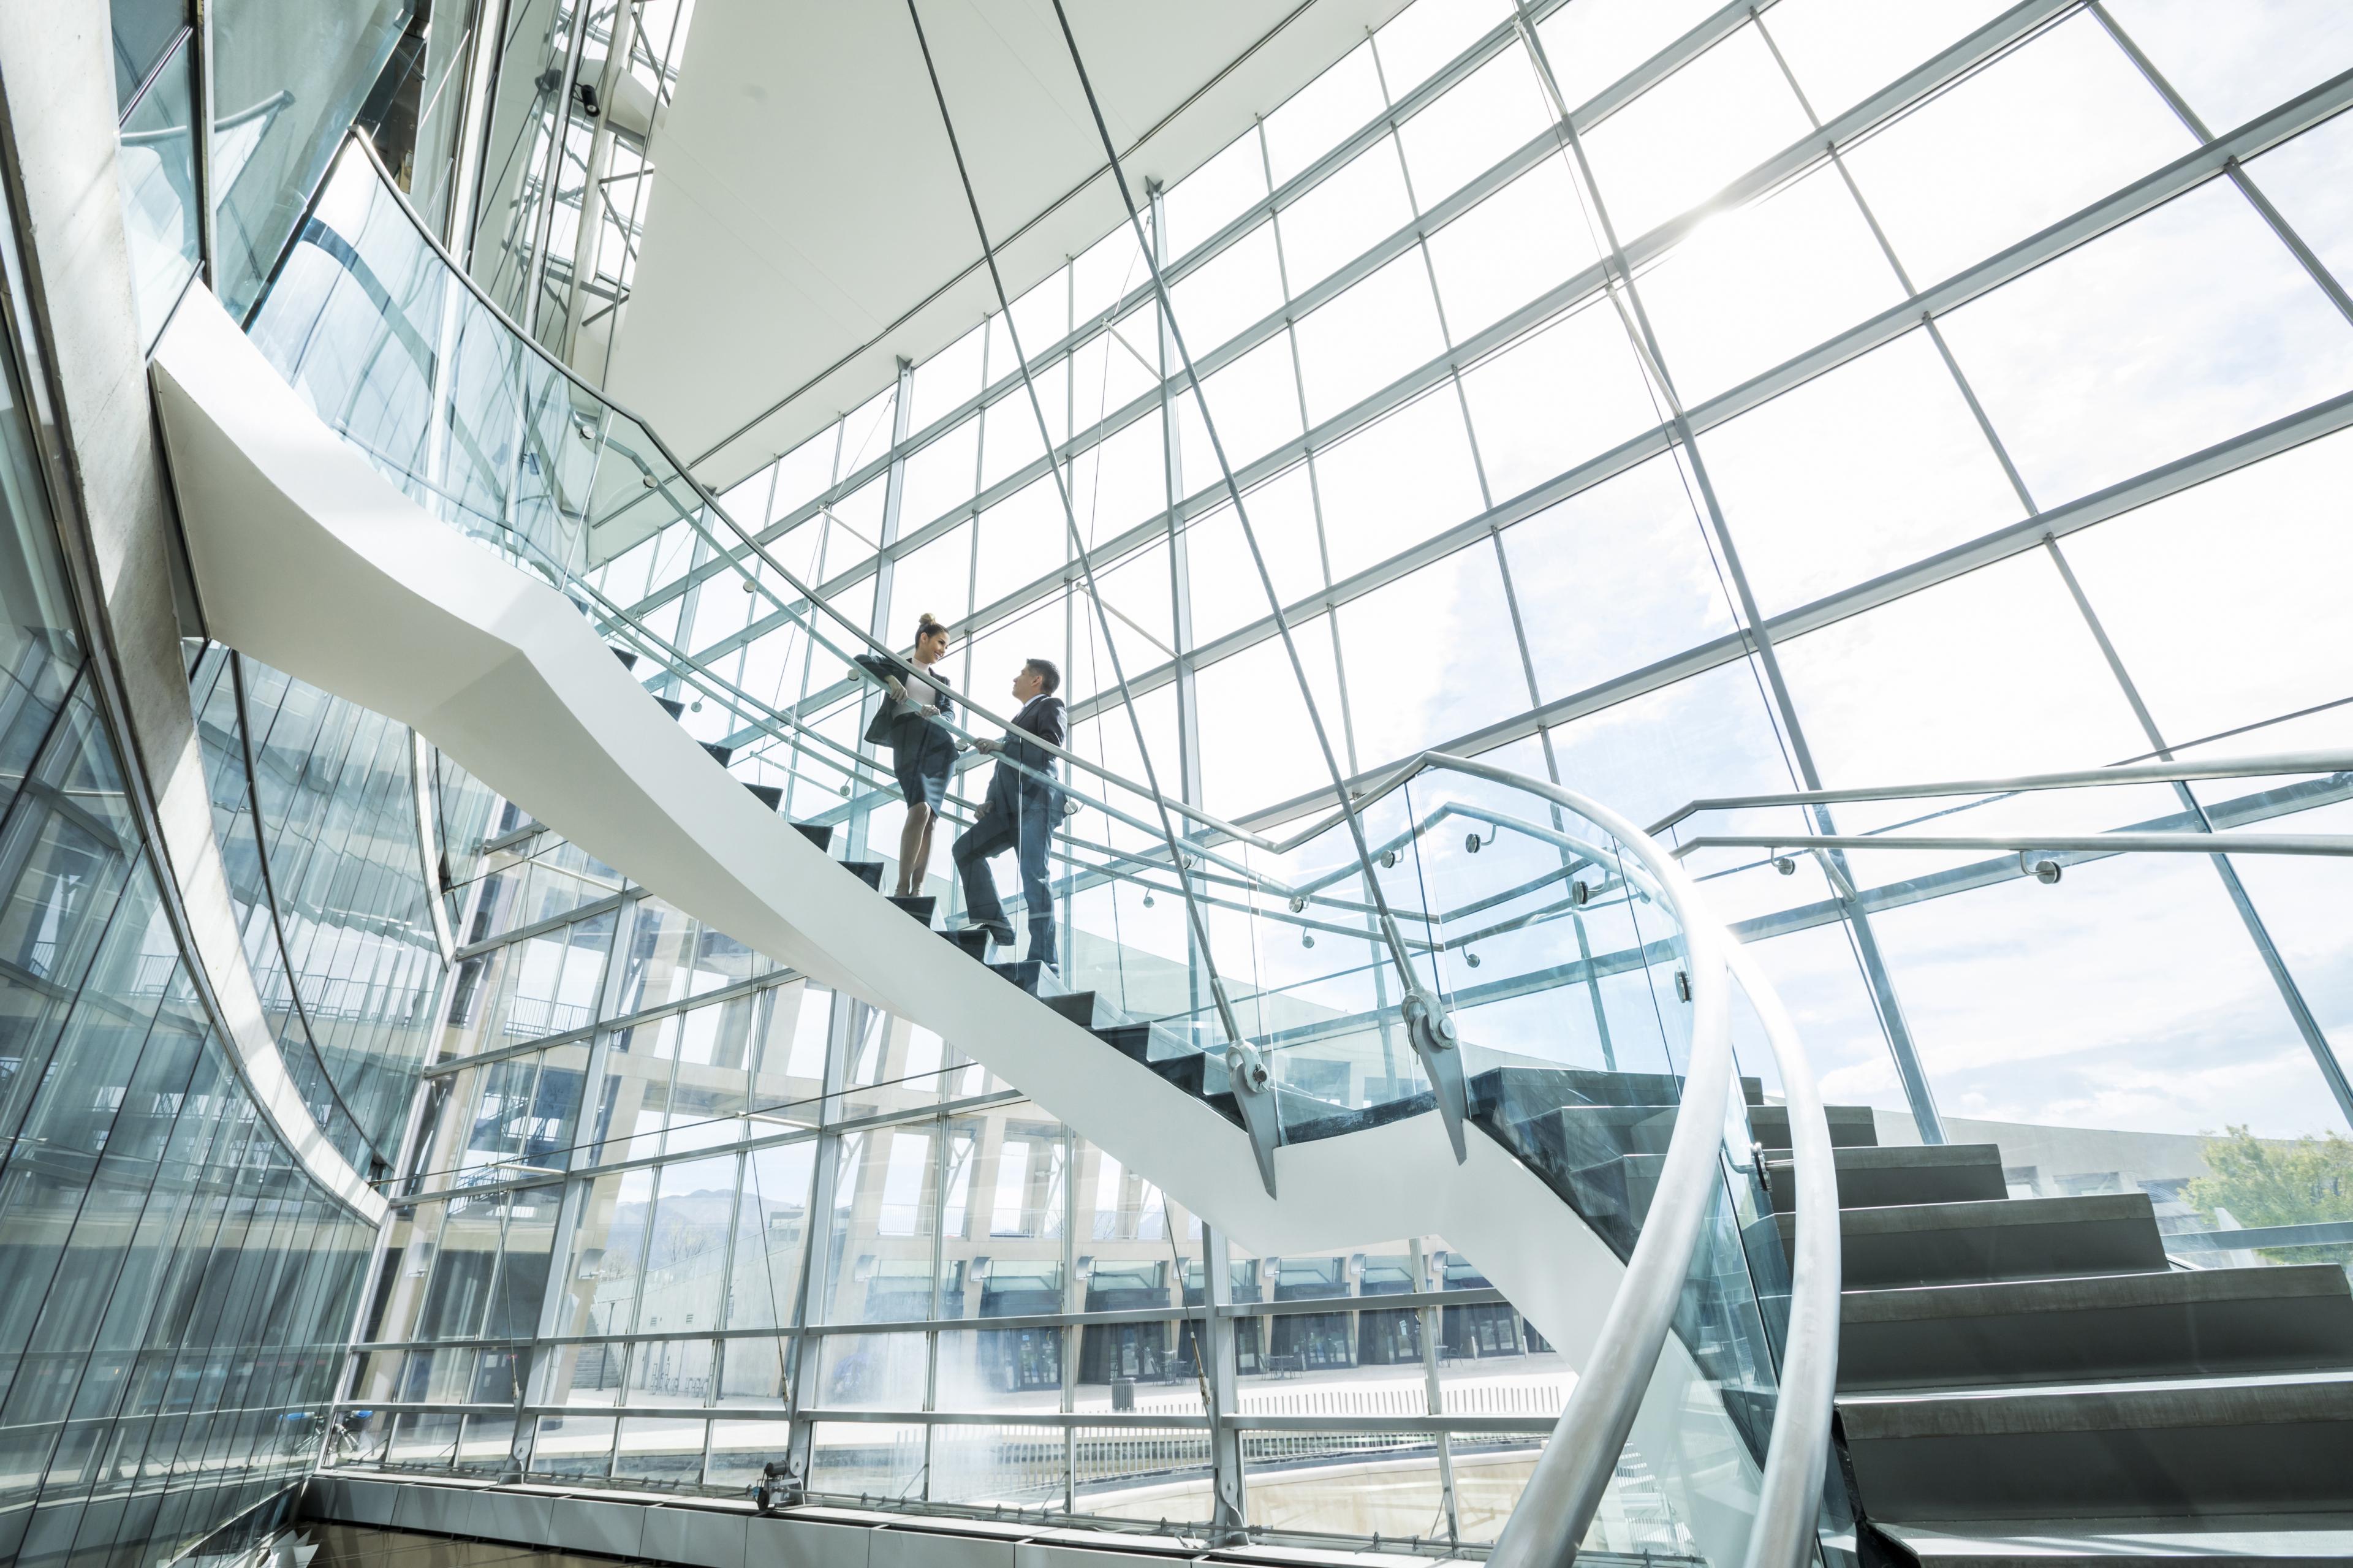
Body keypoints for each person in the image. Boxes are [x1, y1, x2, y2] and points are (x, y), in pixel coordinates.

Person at [952, 657, 1065, 965]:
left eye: (1022, 674)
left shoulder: (1052, 706)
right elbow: (1005, 767)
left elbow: (1049, 749)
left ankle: (1045, 958)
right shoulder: (1019, 717)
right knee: (965, 849)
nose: (1015, 678)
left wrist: (1003, 747)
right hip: (1005, 808)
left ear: (1036, 680)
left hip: (1035, 803)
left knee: (1034, 876)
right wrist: (989, 799)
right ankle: (996, 921)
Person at [855, 614, 956, 898]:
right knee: (920, 808)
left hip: (939, 747)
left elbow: (951, 713)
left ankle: (918, 887)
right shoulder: (898, 665)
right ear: (924, 638)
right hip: (908, 740)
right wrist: (889, 679)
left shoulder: (942, 680)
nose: (943, 651)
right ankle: (902, 886)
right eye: (940, 643)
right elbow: (862, 658)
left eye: (946, 647)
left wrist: (938, 713)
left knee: (932, 818)